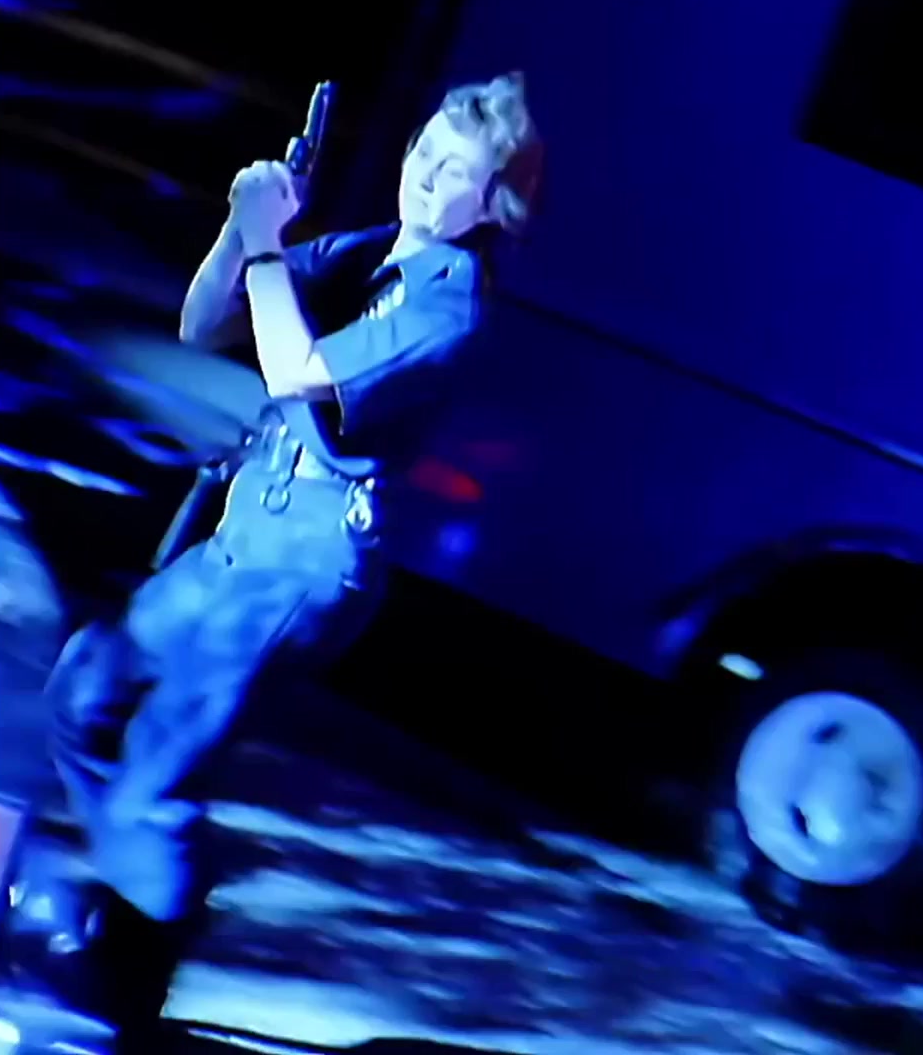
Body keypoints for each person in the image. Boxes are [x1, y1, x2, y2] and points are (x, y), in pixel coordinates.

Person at [27, 72, 543, 1040]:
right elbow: (207, 322)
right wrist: (244, 226)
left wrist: (267, 243)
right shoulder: (372, 250)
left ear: (494, 207)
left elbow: (298, 367)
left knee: (159, 764)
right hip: (243, 535)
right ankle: (143, 901)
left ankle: (122, 993)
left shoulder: (450, 307)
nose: (425, 176)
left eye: (456, 173)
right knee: (83, 688)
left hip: (305, 567)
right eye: (425, 150)